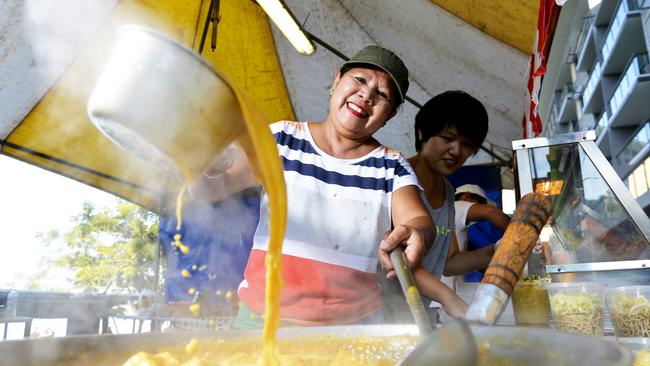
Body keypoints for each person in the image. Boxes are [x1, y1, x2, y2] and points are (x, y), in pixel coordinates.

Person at [189, 45, 435, 327]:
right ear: (336, 81)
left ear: (389, 115)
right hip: (261, 323)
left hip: (351, 332)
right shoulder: (281, 139)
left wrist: (417, 233)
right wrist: (201, 164)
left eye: (382, 94)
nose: (366, 95)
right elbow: (212, 190)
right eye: (360, 80)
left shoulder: (391, 165)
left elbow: (418, 220)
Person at [381, 90, 492, 323]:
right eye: (447, 138)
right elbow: (398, 257)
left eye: (467, 144)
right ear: (422, 132)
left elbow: (450, 263)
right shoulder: (397, 179)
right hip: (378, 313)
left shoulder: (449, 192)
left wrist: (498, 251)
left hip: (413, 315)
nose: (456, 151)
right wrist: (447, 297)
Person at [439, 183, 510, 292]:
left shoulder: (455, 222)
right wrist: (520, 235)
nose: (479, 218)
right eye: (480, 204)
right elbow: (491, 211)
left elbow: (470, 261)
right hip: (440, 292)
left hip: (444, 291)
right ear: (466, 196)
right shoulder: (457, 206)